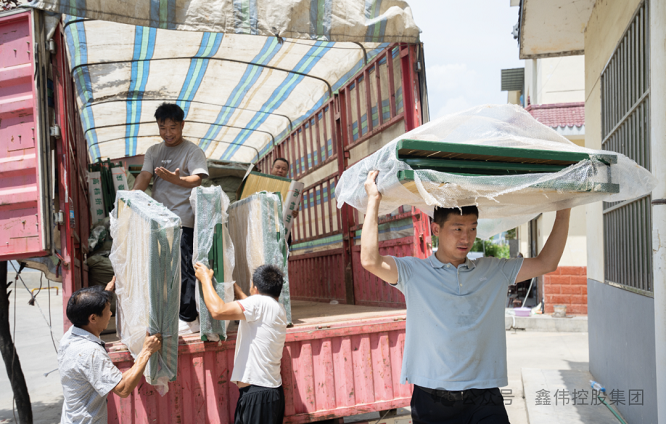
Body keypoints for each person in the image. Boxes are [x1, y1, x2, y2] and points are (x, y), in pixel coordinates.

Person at [360, 170, 571, 424]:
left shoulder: (493, 270)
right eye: (458, 228)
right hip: (432, 399)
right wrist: (374, 200)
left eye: (472, 228)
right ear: (436, 228)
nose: (466, 237)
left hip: (484, 396)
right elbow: (370, 260)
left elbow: (547, 262)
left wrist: (564, 209)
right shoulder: (413, 272)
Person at [133, 103, 209, 334]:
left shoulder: (192, 151)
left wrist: (177, 180)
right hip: (159, 221)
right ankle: (169, 316)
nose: (167, 132)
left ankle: (189, 318)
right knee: (163, 270)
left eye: (172, 127)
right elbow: (145, 175)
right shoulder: (154, 151)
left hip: (183, 219)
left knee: (185, 269)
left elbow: (197, 179)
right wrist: (131, 197)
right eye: (162, 127)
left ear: (182, 125)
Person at [193, 262, 287, 424]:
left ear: (255, 288)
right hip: (270, 393)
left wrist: (205, 280)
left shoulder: (258, 304)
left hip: (258, 396)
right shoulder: (278, 308)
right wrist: (236, 289)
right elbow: (250, 305)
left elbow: (218, 310)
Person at [58, 280, 162, 423]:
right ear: (93, 318)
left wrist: (105, 294)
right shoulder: (90, 352)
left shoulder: (71, 336)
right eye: (108, 310)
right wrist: (146, 351)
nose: (111, 313)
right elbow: (123, 389)